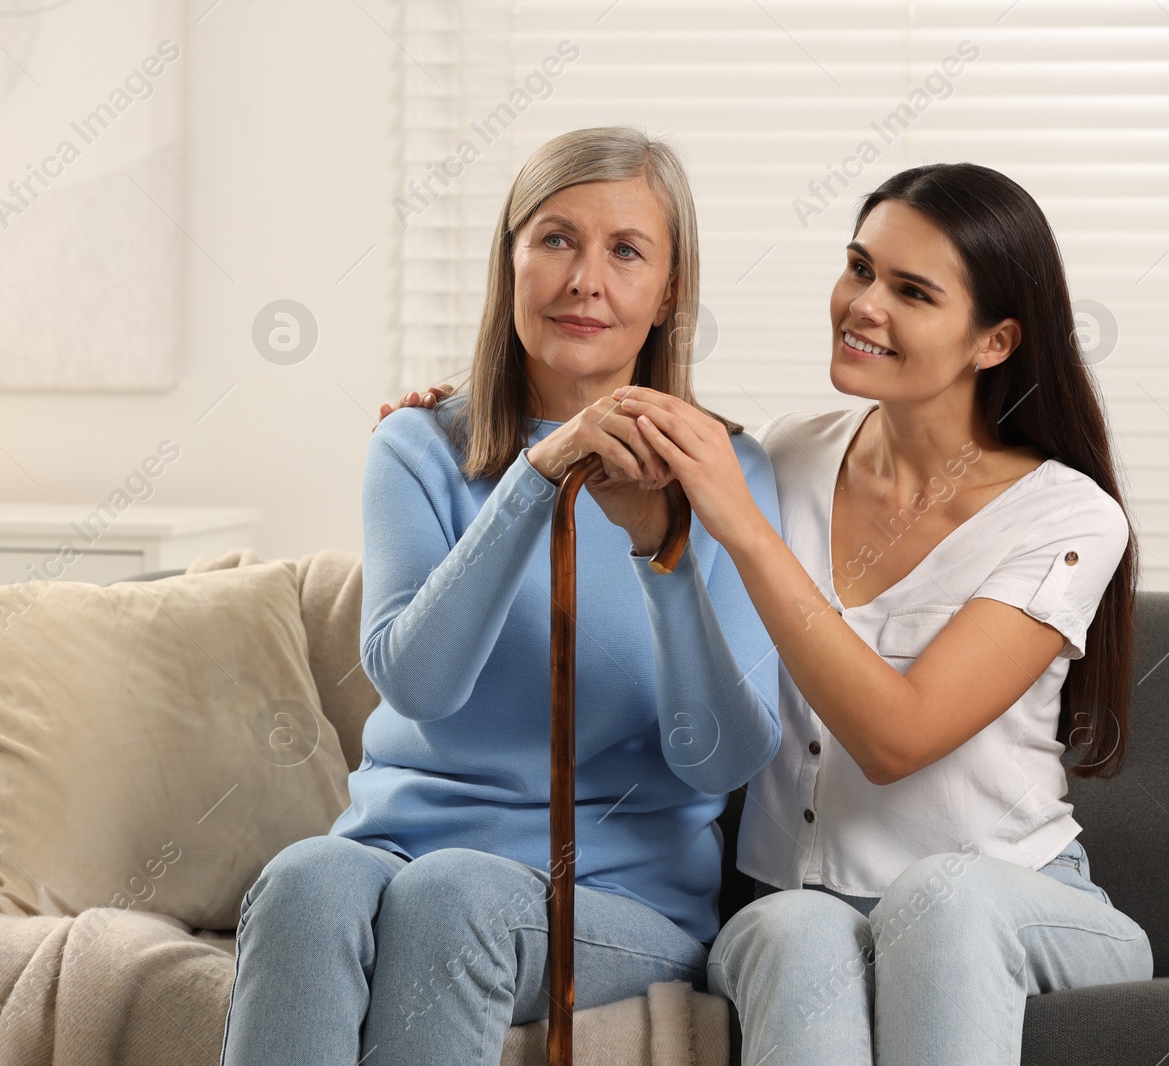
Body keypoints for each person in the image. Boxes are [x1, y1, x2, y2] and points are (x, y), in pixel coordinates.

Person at [388, 162, 1155, 1065]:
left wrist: (741, 525)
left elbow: (897, 738)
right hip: (795, 899)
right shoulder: (787, 456)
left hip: (1006, 902)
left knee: (939, 901)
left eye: (912, 292)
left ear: (994, 342)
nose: (864, 305)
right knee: (789, 929)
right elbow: (620, 429)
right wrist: (458, 414)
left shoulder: (1066, 516)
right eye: (860, 268)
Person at [220, 126, 784, 1065]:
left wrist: (663, 557)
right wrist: (537, 474)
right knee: (304, 879)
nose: (584, 280)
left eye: (626, 250)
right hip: (393, 854)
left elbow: (718, 764)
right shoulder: (416, 449)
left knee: (458, 894)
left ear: (669, 289)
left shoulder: (728, 470)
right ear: (511, 258)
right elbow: (421, 686)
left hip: (617, 899)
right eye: (556, 239)